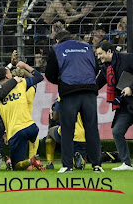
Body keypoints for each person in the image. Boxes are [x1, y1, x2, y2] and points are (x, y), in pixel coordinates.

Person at [45, 30, 103, 173]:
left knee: (67, 129)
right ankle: (97, 165)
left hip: (69, 92)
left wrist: (61, 81)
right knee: (91, 129)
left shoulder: (56, 49)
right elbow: (95, 68)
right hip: (89, 91)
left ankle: (67, 166)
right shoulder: (87, 47)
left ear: (57, 40)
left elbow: (49, 74)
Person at [0, 62, 46, 171]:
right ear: (8, 76)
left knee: (16, 166)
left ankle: (29, 162)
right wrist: (25, 66)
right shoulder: (21, 84)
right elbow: (39, 77)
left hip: (16, 131)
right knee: (33, 140)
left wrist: (3, 133)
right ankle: (33, 159)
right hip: (32, 127)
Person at [95, 41, 133, 171]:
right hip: (125, 106)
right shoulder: (105, 68)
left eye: (100, 53)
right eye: (97, 54)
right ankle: (126, 164)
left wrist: (131, 88)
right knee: (117, 131)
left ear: (109, 52)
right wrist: (81, 91)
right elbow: (97, 85)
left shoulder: (128, 58)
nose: (98, 57)